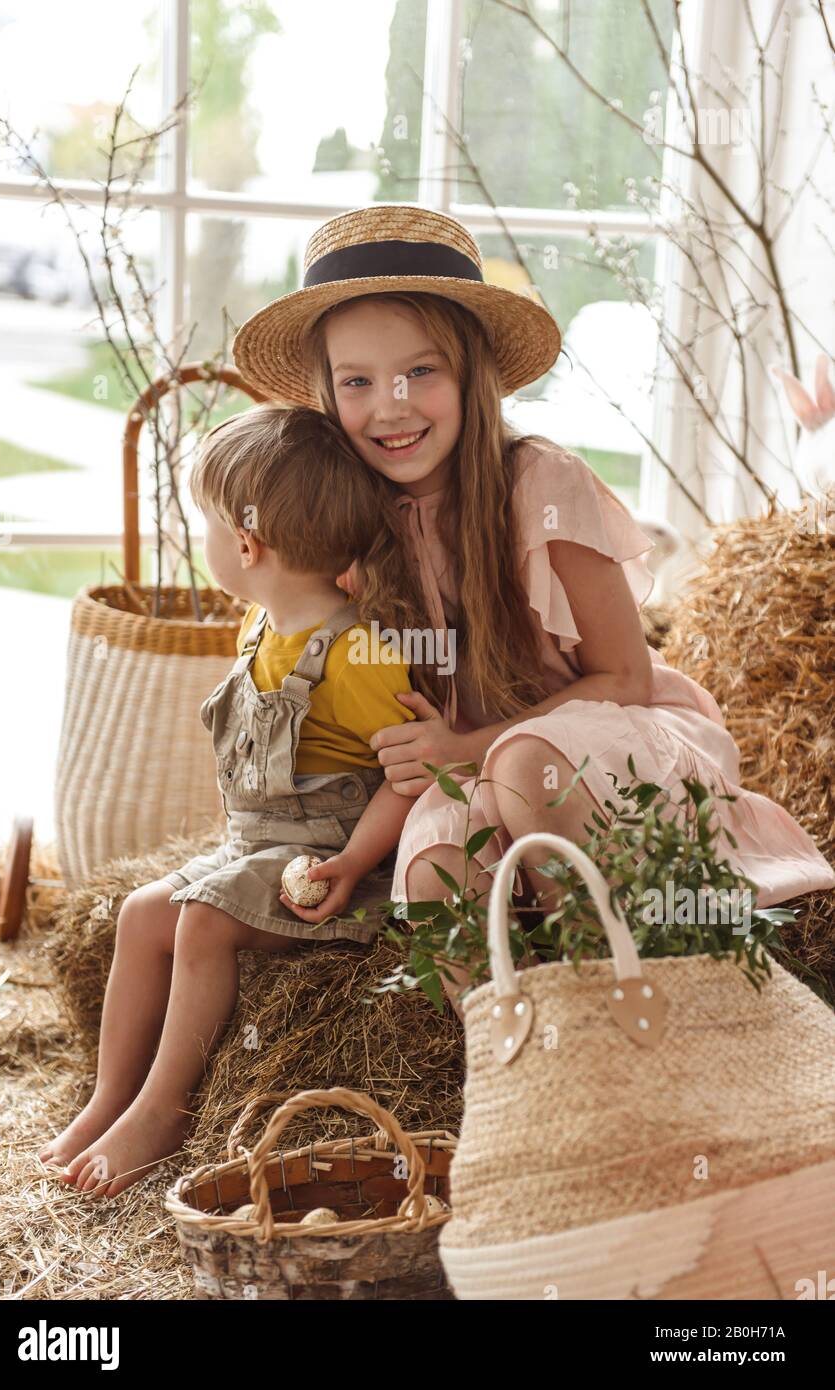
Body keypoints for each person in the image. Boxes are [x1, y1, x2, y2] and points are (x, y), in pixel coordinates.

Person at [231, 202, 835, 1017]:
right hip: (459, 773)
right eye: (357, 381)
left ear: (472, 372)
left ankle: (630, 1015)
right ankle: (519, 1069)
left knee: (522, 766)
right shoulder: (352, 521)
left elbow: (621, 675)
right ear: (325, 392)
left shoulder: (538, 485)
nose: (391, 405)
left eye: (422, 372)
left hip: (601, 745)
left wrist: (468, 744)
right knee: (432, 869)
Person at [38, 405, 416, 1196]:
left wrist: (350, 862)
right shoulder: (258, 625)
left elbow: (407, 778)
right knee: (144, 911)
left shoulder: (361, 655)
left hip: (329, 862)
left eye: (208, 525)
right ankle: (112, 1096)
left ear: (247, 545)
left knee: (204, 921)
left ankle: (166, 1111)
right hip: (256, 850)